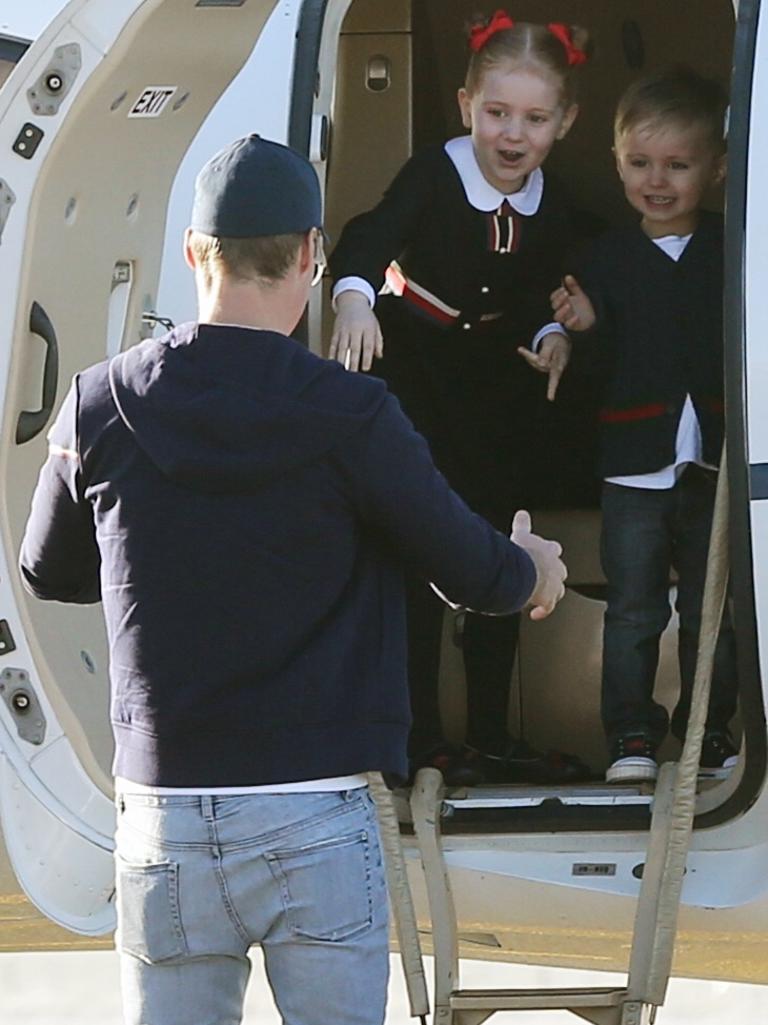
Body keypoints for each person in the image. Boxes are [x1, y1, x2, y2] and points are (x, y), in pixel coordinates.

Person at [18, 135, 567, 1025]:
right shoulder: (355, 413)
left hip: (165, 814)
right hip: (316, 812)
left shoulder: (98, 401)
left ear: (195, 253)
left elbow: (48, 569)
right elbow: (474, 573)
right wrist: (534, 570)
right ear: (312, 257)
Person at [328, 12, 592, 786]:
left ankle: (490, 732)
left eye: (535, 118)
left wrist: (555, 333)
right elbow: (368, 241)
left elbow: (553, 284)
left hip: (497, 387)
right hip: (419, 373)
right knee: (415, 552)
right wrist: (353, 299)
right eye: (496, 113)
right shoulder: (434, 172)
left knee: (501, 546)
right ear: (464, 105)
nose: (513, 135)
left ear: (565, 122)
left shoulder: (556, 198)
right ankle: (419, 739)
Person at [551, 66, 738, 784]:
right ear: (616, 161)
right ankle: (630, 734)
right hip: (633, 462)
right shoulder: (602, 260)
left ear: (717, 170)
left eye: (678, 165)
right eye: (639, 163)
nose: (656, 180)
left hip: (718, 461)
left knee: (709, 609)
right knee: (632, 610)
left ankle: (708, 733)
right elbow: (590, 374)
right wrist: (583, 330)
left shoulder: (734, 254)